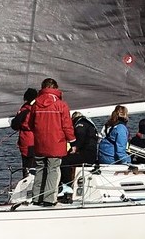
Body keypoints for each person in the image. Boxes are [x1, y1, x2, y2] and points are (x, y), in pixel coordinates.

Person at [27, 77, 75, 206]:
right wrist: (73, 141)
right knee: (53, 170)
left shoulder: (35, 104)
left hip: (40, 143)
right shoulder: (61, 104)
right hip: (56, 143)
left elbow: (30, 124)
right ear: (55, 89)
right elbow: (67, 126)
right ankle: (49, 199)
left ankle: (37, 198)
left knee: (40, 169)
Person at [60, 111, 100, 199]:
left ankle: (66, 184)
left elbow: (80, 138)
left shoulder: (80, 125)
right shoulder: (88, 124)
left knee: (64, 161)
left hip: (86, 154)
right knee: (69, 159)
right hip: (91, 153)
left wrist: (74, 148)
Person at [10, 87, 38, 177]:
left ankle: (27, 180)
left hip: (27, 138)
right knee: (34, 163)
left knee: (27, 163)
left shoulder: (25, 110)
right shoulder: (38, 108)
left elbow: (15, 125)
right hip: (37, 138)